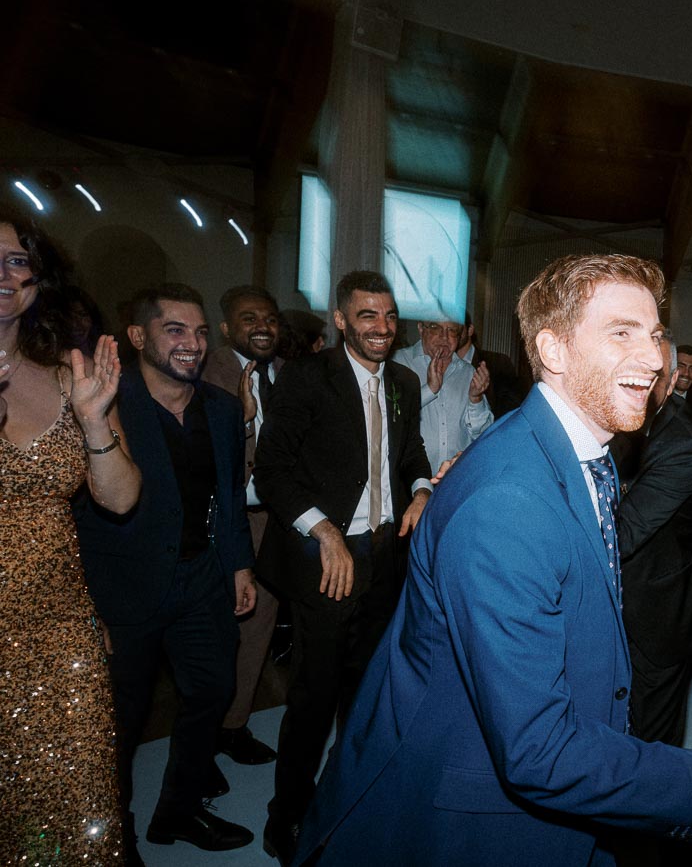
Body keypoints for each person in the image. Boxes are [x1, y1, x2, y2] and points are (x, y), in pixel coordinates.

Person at [293, 253, 692, 866]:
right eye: (622, 333)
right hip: (471, 820)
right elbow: (536, 749)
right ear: (553, 351)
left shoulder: (581, 448)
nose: (654, 358)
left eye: (656, 333)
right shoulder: (508, 501)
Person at [252, 271, 434, 863]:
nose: (381, 329)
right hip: (330, 561)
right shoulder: (306, 379)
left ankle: (346, 799)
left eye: (387, 317)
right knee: (315, 699)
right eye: (366, 317)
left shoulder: (403, 381)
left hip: (385, 558)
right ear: (340, 320)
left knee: (368, 693)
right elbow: (271, 469)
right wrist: (324, 530)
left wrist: (423, 489)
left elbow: (411, 453)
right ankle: (288, 821)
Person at [75, 283, 257, 856]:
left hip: (202, 579)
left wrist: (239, 566)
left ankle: (178, 811)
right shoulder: (103, 404)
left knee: (212, 690)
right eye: (175, 330)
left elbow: (228, 495)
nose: (193, 344)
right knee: (120, 724)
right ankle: (114, 831)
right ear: (137, 337)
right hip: (123, 593)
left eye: (201, 332)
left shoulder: (223, 409)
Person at [0, 212, 140, 863]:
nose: (4, 273)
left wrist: (92, 420)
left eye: (16, 260)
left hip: (63, 641)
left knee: (82, 810)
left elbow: (119, 497)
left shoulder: (69, 376)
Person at [610, 334, 692, 746]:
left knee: (653, 743)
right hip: (616, 601)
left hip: (658, 614)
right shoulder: (617, 415)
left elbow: (621, 532)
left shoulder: (686, 445)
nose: (639, 382)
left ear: (673, 381)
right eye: (632, 369)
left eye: (652, 376)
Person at [200, 285, 287, 768]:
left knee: (257, 630)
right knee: (217, 637)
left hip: (272, 523)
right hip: (225, 525)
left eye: (270, 318)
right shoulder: (208, 373)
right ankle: (202, 741)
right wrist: (245, 421)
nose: (262, 326)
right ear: (228, 327)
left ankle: (232, 727)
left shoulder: (282, 374)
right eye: (249, 318)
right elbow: (212, 458)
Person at [393, 317, 493, 469]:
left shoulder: (468, 372)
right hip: (409, 481)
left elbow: (483, 435)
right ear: (421, 328)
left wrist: (476, 399)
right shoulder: (398, 362)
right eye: (435, 327)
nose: (444, 337)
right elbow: (390, 416)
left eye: (452, 330)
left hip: (455, 479)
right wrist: (429, 390)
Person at [456, 310, 528, 418]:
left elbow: (511, 410)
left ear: (470, 330)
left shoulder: (497, 363)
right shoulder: (442, 365)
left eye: (457, 329)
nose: (451, 334)